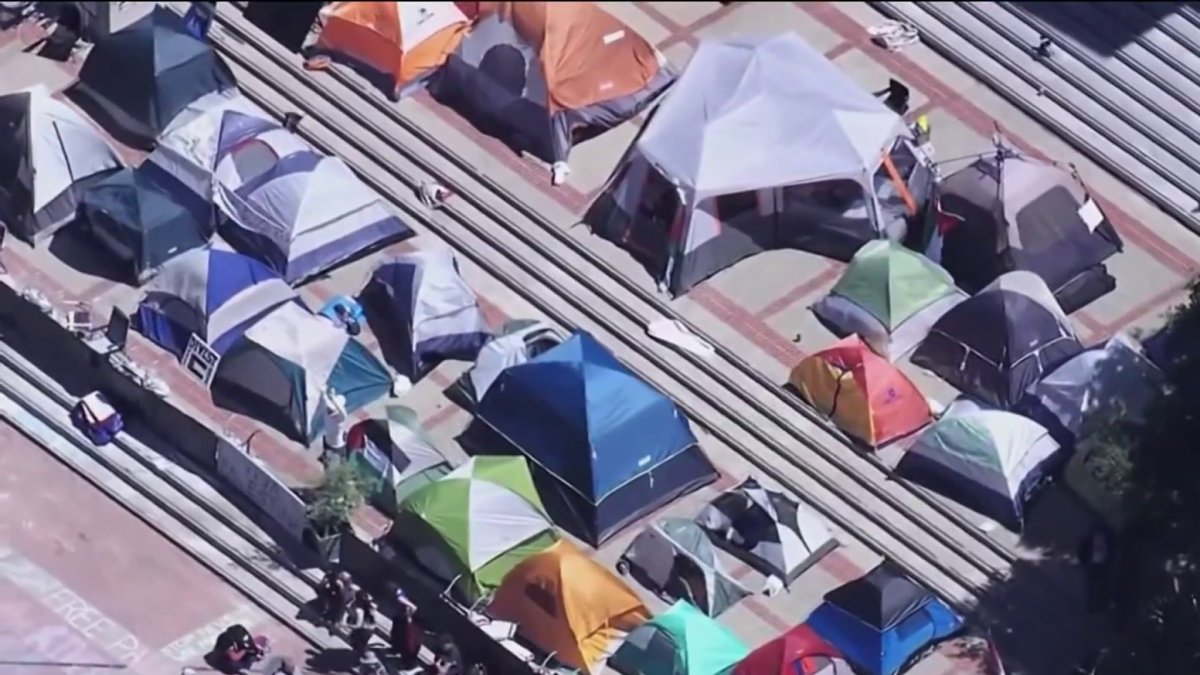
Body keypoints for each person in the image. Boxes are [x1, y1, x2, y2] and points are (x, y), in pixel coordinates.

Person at [1077, 528, 1115, 613]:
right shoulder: (1107, 538)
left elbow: (1082, 549)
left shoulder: (1089, 538)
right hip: (1100, 565)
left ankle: (1092, 605)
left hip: (1096, 564)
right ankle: (1097, 604)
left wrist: (1083, 561)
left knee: (1092, 585)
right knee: (1098, 585)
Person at [389, 588, 422, 669]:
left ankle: (398, 652)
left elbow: (413, 607)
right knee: (395, 634)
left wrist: (409, 615)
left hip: (401, 620)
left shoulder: (403, 601)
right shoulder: (402, 602)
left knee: (400, 637)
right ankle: (395, 649)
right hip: (399, 618)